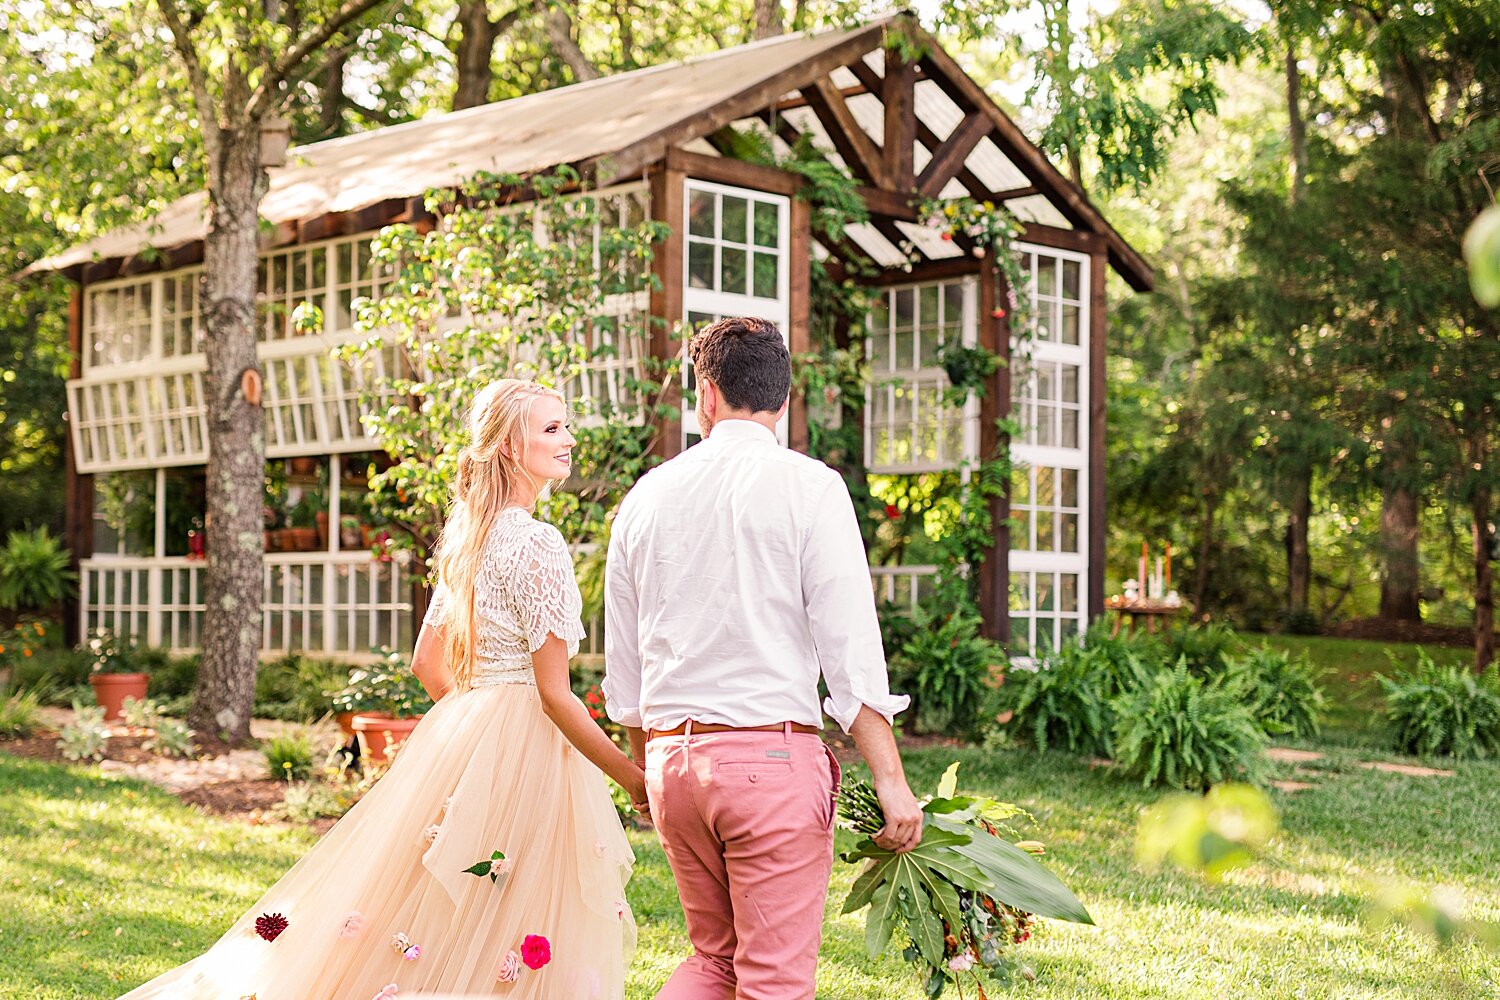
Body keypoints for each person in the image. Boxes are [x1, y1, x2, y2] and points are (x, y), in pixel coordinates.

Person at [118, 379, 642, 1000]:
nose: (569, 439)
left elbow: (427, 664)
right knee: (515, 900)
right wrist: (633, 778)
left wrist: (474, 730)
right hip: (528, 734)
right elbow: (556, 694)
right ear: (507, 445)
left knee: (442, 897)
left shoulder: (469, 539)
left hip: (470, 726)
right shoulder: (537, 542)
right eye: (551, 429)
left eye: (566, 426)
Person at [603, 316, 924, 1000]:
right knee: (772, 981)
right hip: (769, 769)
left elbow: (626, 669)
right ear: (785, 402)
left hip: (673, 767)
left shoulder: (644, 498)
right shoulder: (811, 488)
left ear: (706, 396)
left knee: (713, 963)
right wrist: (891, 779)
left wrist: (648, 773)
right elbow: (850, 649)